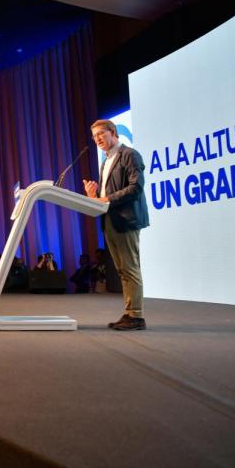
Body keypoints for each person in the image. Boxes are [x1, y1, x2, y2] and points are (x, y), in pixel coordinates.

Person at [83, 119, 150, 331]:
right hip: (110, 219)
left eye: (101, 134)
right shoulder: (105, 161)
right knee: (122, 269)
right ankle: (130, 312)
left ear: (113, 133)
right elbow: (105, 196)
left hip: (126, 218)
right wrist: (93, 196)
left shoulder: (129, 155)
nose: (97, 139)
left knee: (130, 267)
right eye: (94, 136)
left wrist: (106, 199)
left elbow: (135, 187)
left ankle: (137, 316)